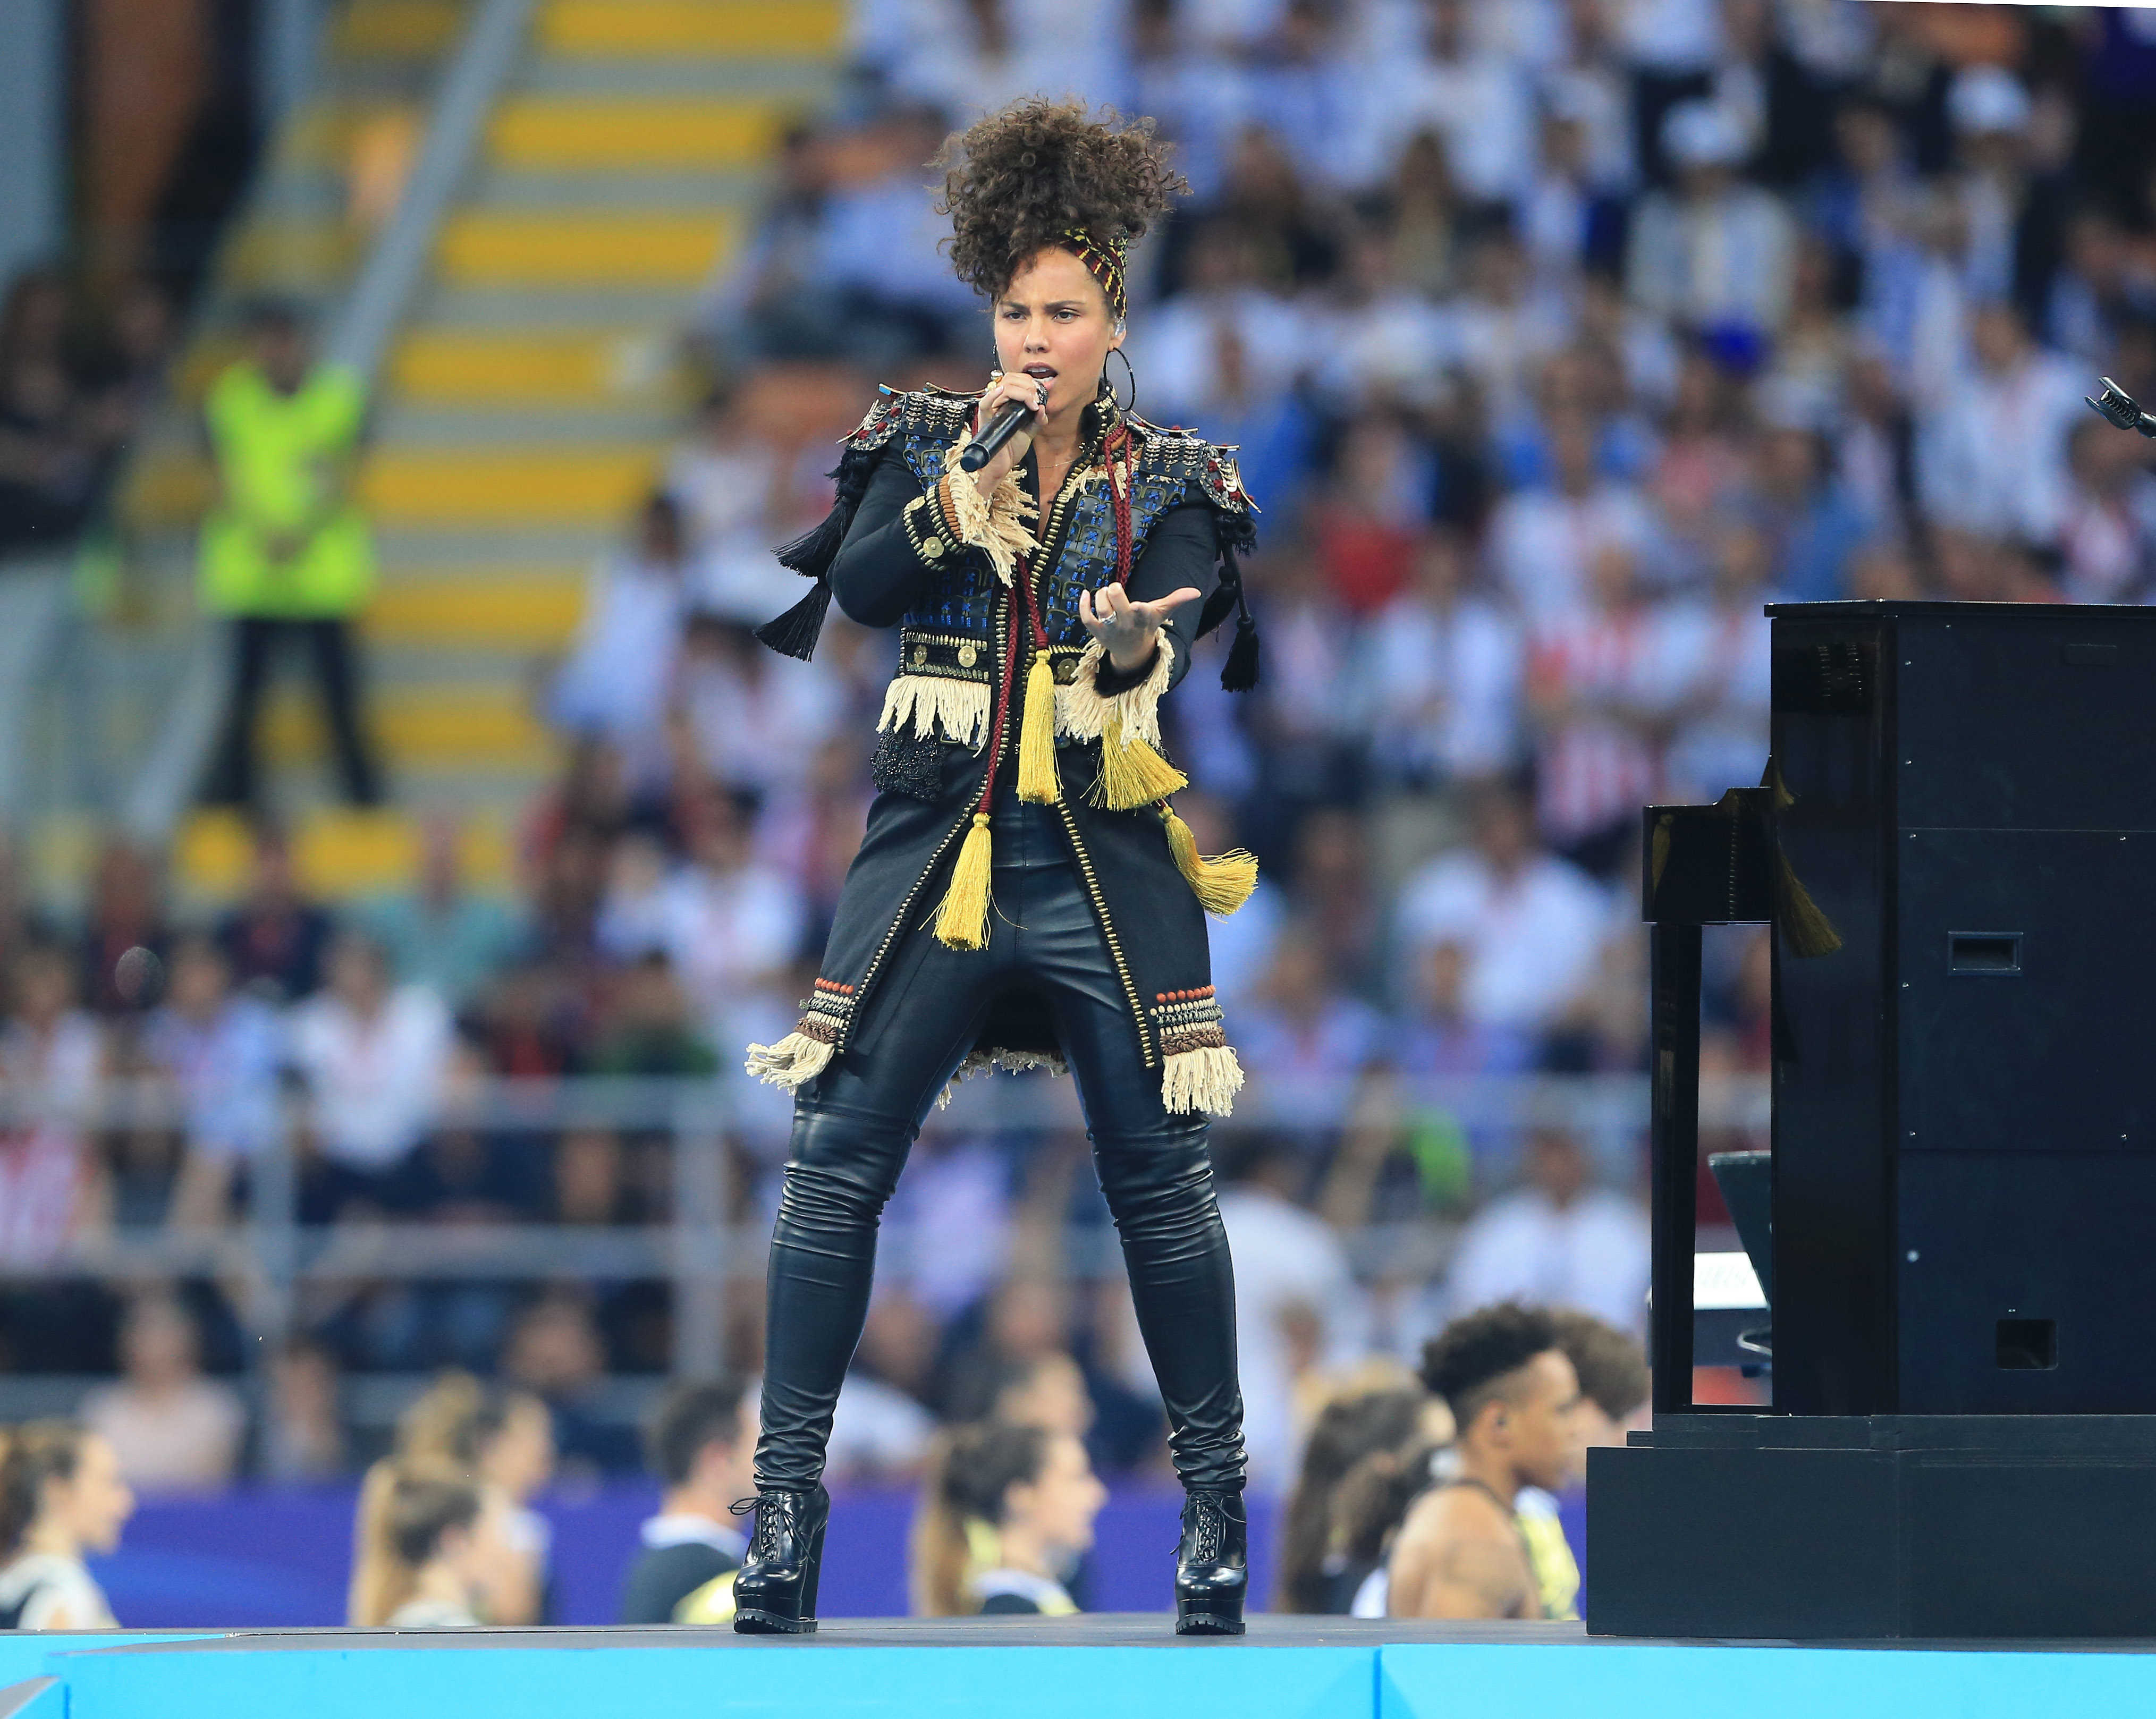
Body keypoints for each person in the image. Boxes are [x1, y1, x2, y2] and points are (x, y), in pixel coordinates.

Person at [735, 98, 1262, 1637]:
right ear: (991, 316)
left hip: (1099, 865)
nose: (1040, 335)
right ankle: (779, 1512)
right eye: (1020, 310)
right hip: (930, 862)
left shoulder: (1173, 469)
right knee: (832, 1166)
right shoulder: (912, 439)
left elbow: (1192, 589)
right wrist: (953, 494)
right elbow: (866, 582)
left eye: (1069, 311)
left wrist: (1128, 633)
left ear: (1114, 321)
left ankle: (1215, 1511)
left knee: (1161, 1182)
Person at [199, 299, 381, 810]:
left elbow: (346, 473)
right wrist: (273, 533)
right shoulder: (229, 401)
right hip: (254, 579)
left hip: (320, 578)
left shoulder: (337, 398)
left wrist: (293, 531)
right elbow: (221, 477)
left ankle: (364, 804)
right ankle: (236, 803)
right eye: (267, 339)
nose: (277, 351)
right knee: (246, 705)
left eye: (284, 338)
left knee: (340, 703)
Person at [1385, 1302, 1583, 1621]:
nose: (1576, 1430)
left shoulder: (1462, 1514)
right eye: (1562, 1411)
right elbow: (1440, 1671)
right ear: (1499, 1423)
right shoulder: (1478, 1544)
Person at [910, 1421, 1107, 1618]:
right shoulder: (1008, 1610)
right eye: (1077, 1478)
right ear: (1022, 1496)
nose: (1098, 1494)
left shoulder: (1038, 1596)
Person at [78, 1292, 246, 1492]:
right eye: (143, 1334)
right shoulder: (101, 1408)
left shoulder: (217, 1407)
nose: (154, 1347)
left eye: (163, 1334)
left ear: (188, 1341)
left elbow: (210, 1484)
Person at [620, 1378, 754, 1624]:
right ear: (719, 1459)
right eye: (760, 1446)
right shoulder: (715, 1576)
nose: (774, 1462)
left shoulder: (653, 1566)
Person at [0, 1424, 134, 1629]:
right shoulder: (63, 1594)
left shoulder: (20, 1579)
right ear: (58, 1490)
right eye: (108, 1482)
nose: (125, 1502)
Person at [354, 1466, 498, 1628]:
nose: (501, 1553)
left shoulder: (413, 1621)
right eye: (494, 1535)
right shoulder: (450, 1631)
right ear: (456, 1541)